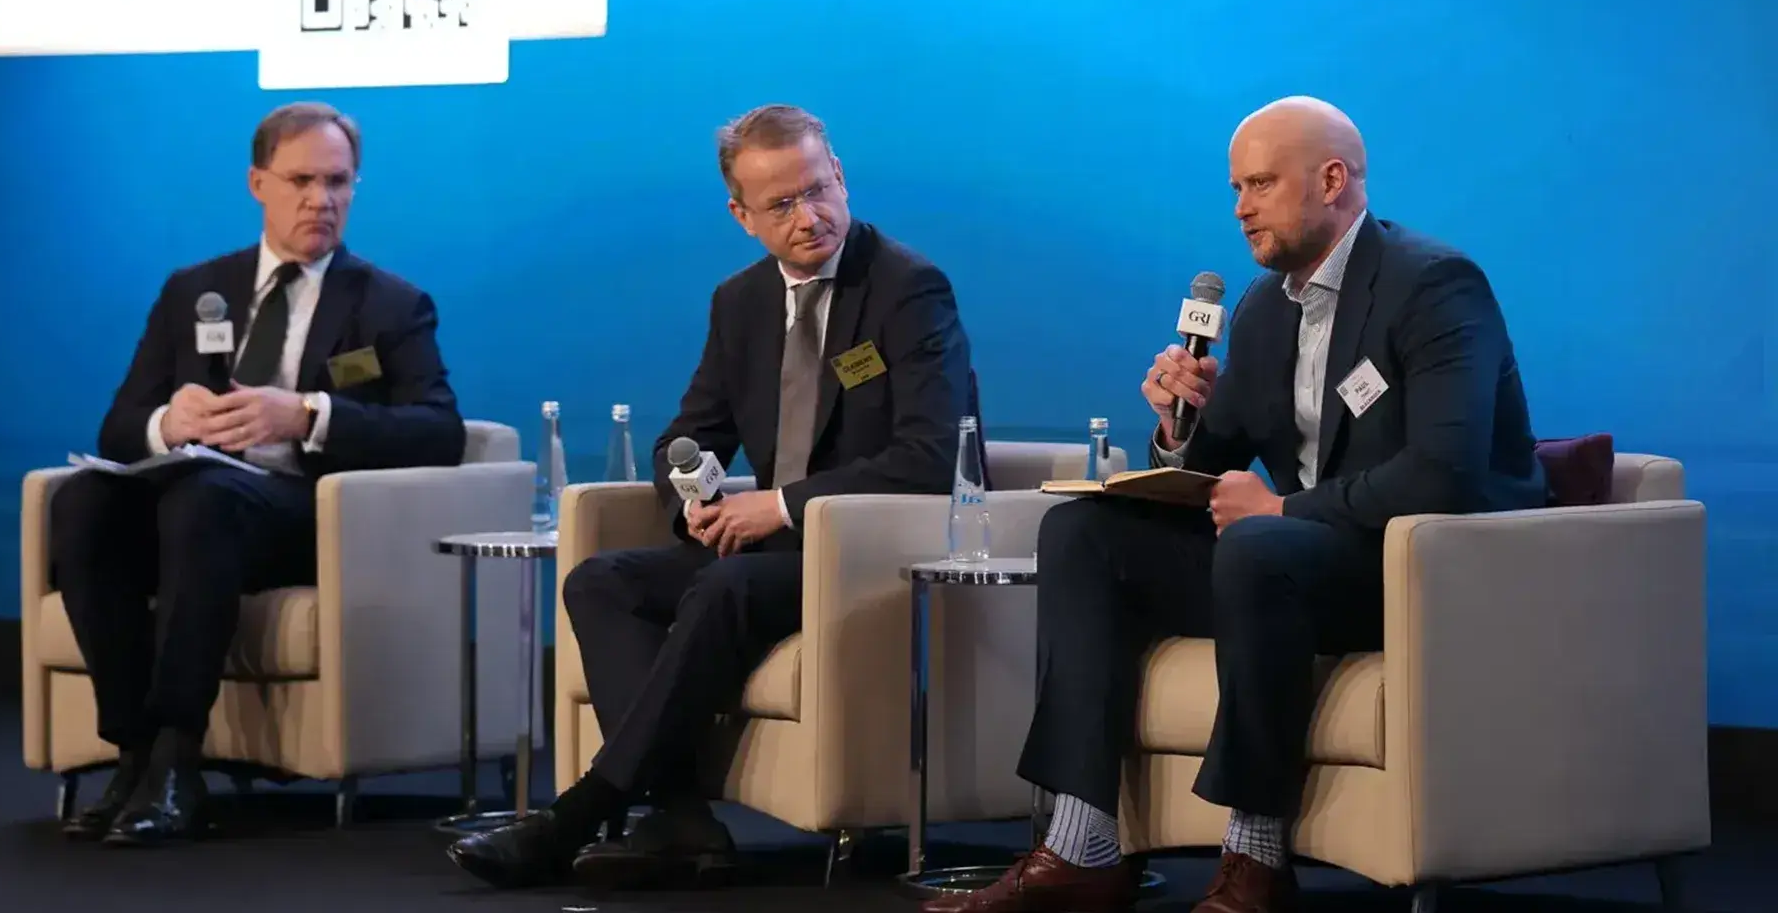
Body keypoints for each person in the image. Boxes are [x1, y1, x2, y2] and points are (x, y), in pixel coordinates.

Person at [930, 97, 1547, 913]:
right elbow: (1207, 468)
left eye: (1259, 184)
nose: (1240, 208)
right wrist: (1173, 428)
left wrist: (1283, 514)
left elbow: (1445, 473)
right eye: (1234, 188)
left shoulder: (1432, 285)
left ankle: (1255, 854)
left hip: (1422, 569)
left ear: (1332, 181)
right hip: (1290, 570)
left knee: (1258, 546)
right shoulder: (1263, 307)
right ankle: (1083, 845)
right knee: (1083, 530)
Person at [449, 103, 975, 890]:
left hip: (873, 549)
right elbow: (687, 437)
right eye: (782, 205)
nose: (811, 218)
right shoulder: (743, 302)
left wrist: (782, 503)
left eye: (819, 189)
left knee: (723, 585)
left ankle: (583, 809)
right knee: (601, 579)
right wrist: (694, 493)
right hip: (775, 551)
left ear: (841, 177)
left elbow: (933, 458)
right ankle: (682, 820)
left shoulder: (906, 288)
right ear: (742, 216)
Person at [52, 102, 466, 846]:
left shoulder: (390, 305)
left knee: (205, 499)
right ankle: (134, 751)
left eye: (339, 182)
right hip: (191, 504)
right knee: (84, 501)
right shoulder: (193, 290)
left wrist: (307, 415)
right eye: (302, 180)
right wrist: (167, 424)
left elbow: (438, 430)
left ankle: (180, 758)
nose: (322, 200)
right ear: (258, 183)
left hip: (299, 516)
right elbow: (118, 427)